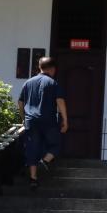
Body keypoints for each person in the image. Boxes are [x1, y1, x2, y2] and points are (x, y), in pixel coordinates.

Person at [17, 56, 67, 188]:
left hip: (30, 121)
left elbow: (20, 102)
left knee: (32, 148)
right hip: (48, 120)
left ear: (40, 67)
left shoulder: (28, 83)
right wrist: (65, 120)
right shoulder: (53, 83)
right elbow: (60, 101)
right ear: (53, 69)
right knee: (56, 143)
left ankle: (33, 179)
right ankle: (44, 161)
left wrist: (23, 118)